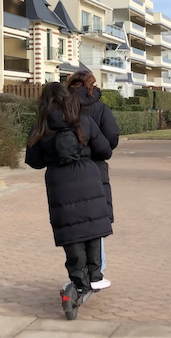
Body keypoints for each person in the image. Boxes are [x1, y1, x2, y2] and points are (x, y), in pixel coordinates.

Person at [25, 82, 113, 294]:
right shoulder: (84, 120)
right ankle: (95, 276)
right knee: (91, 227)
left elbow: (34, 161)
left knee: (71, 232)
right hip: (88, 177)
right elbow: (105, 150)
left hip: (59, 181)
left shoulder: (41, 127)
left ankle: (79, 279)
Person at [66, 70, 120, 284]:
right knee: (95, 216)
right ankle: (97, 269)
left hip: (67, 169)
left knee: (72, 218)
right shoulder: (100, 107)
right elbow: (113, 136)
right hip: (95, 168)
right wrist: (101, 149)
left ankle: (79, 270)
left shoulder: (62, 106)